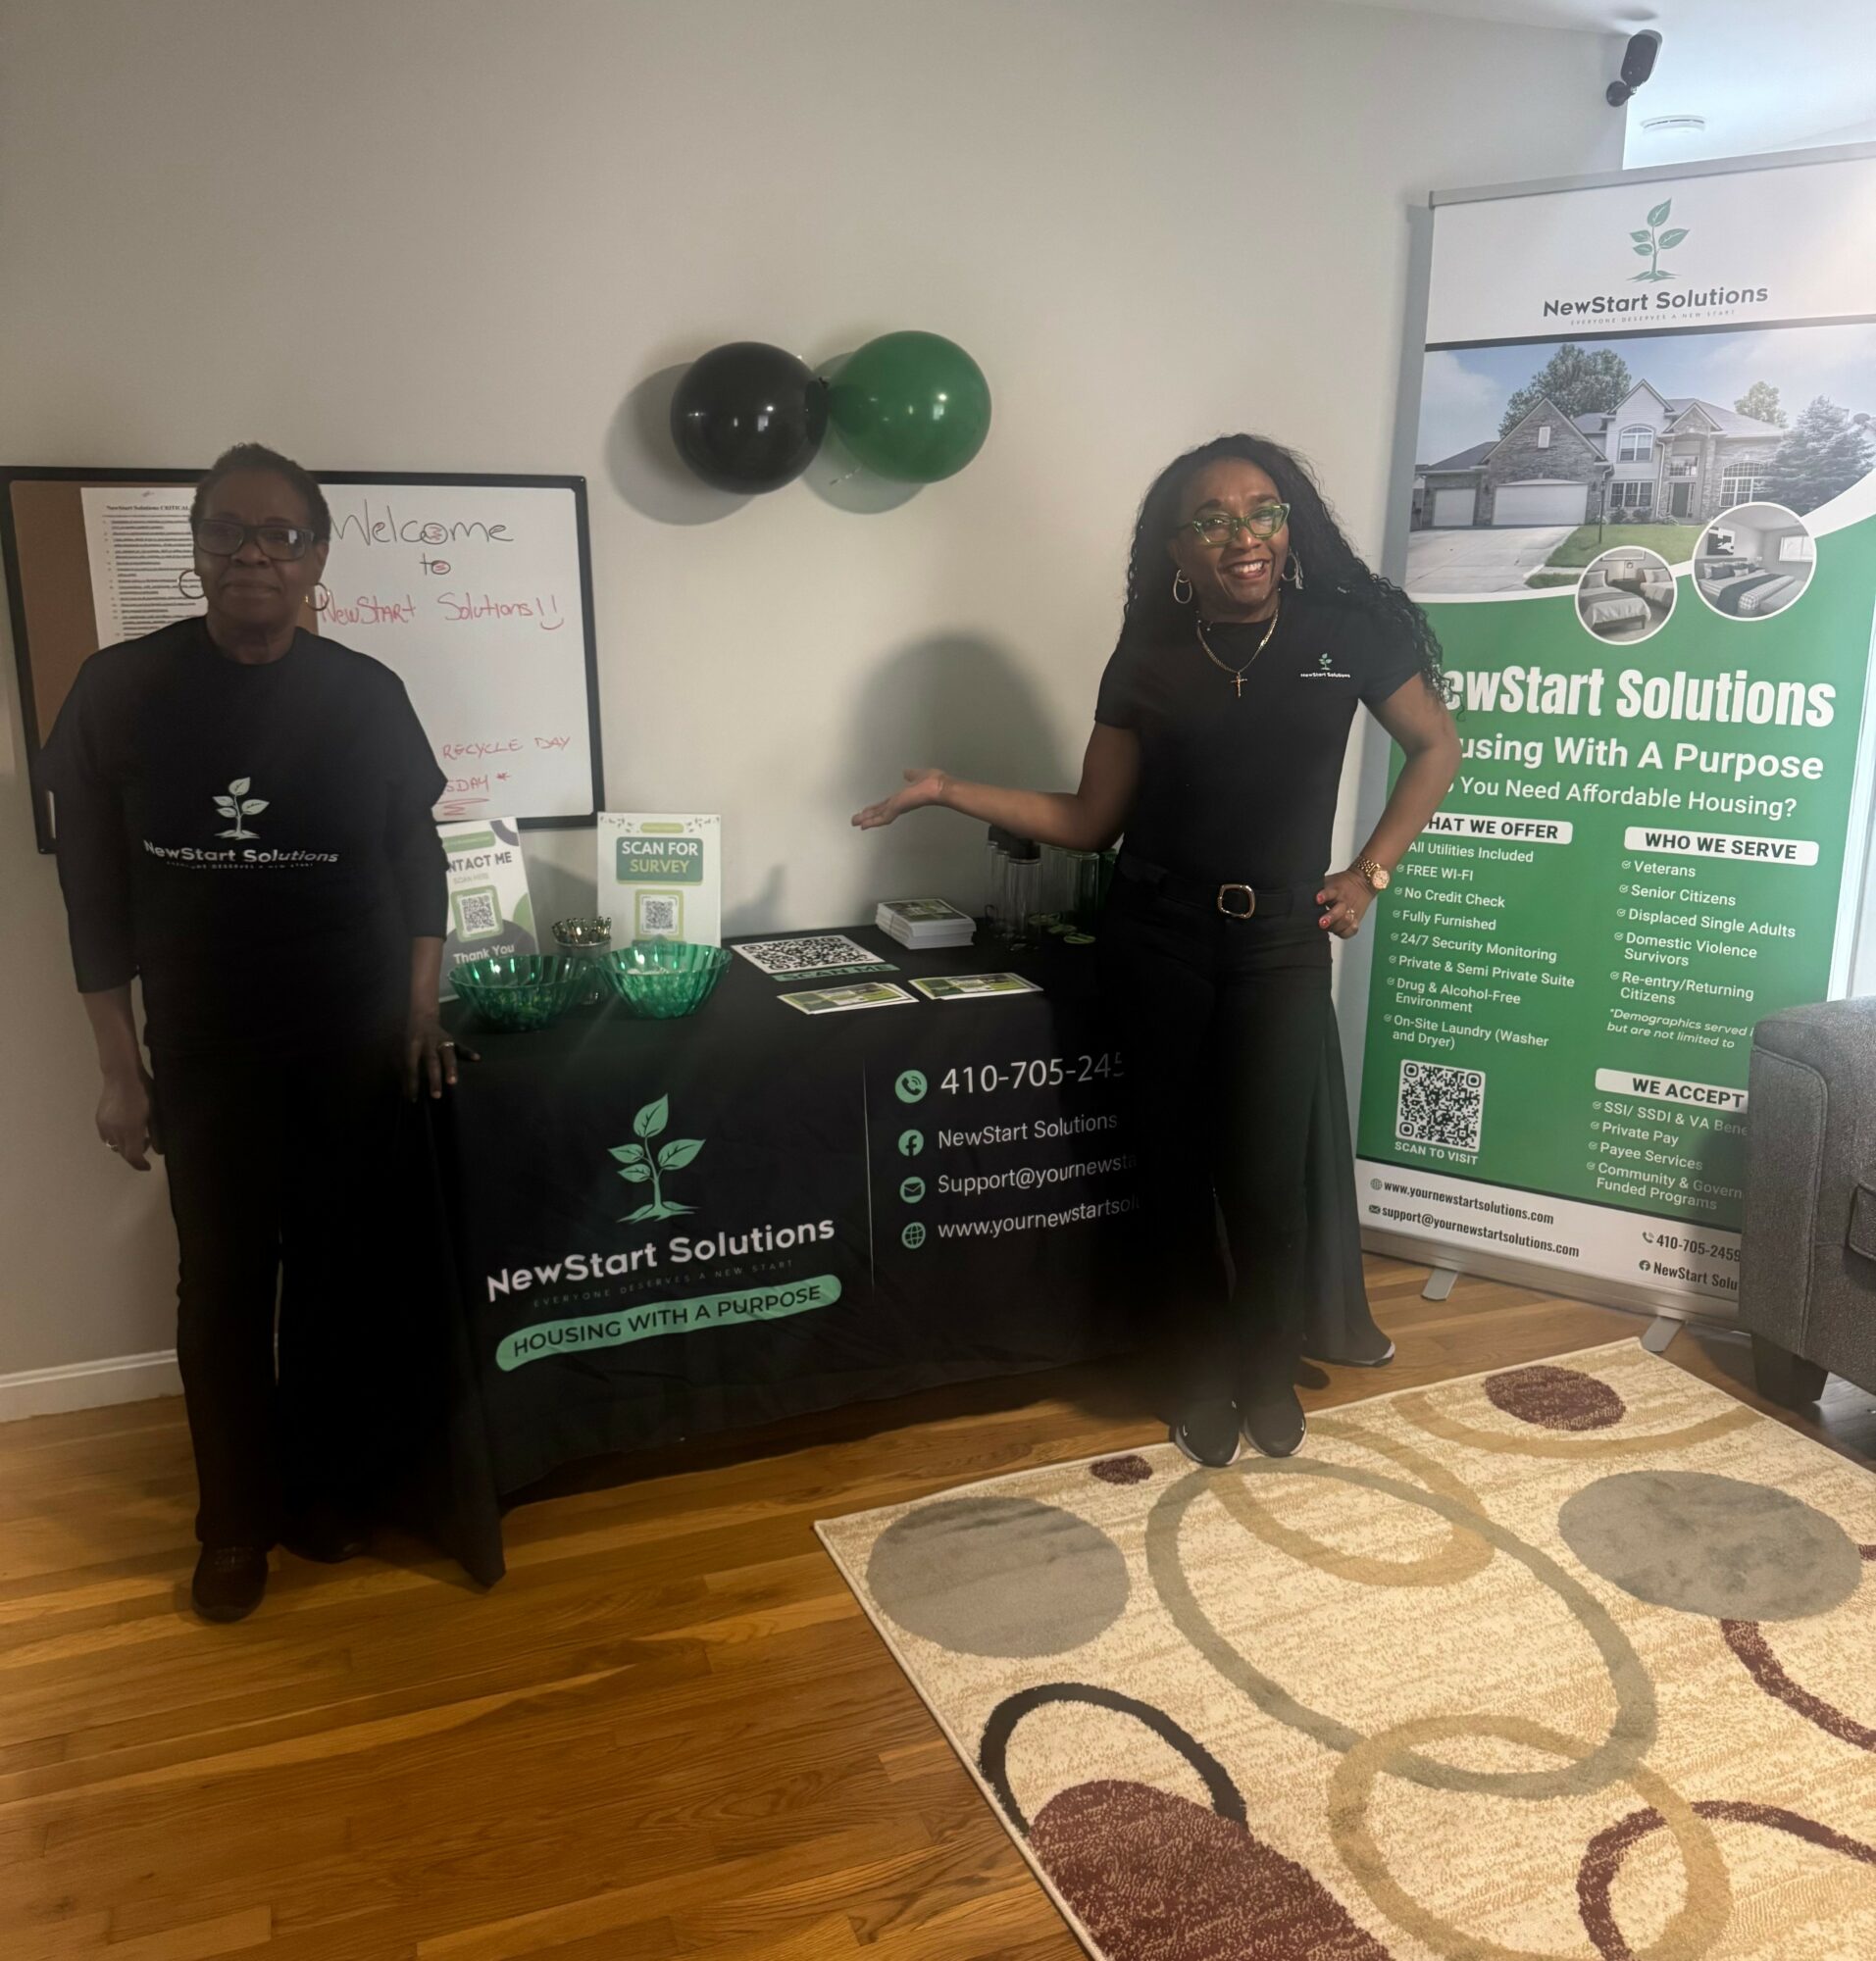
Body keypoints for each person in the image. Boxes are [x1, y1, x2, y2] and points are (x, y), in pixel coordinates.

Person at [854, 434, 1459, 1467]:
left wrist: (1368, 872)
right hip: (1156, 937)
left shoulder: (1346, 631)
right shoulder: (1145, 651)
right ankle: (1195, 1373)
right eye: (1213, 520)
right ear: (1176, 548)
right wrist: (952, 790)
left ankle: (1265, 1370)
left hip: (1277, 941)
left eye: (1261, 511)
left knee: (1265, 1178)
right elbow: (1092, 817)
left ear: (1289, 525)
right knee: (1174, 1175)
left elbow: (1434, 746)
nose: (1242, 537)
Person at [46, 442, 466, 1622]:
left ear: (317, 558)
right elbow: (90, 894)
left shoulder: (364, 693)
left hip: (349, 1039)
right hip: (207, 1051)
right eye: (228, 531)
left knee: (337, 1280)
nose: (253, 554)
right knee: (222, 1289)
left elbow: (416, 862)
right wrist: (116, 1070)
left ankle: (319, 1493)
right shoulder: (119, 690)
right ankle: (231, 1525)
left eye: (281, 535)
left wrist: (420, 1010)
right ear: (194, 548)